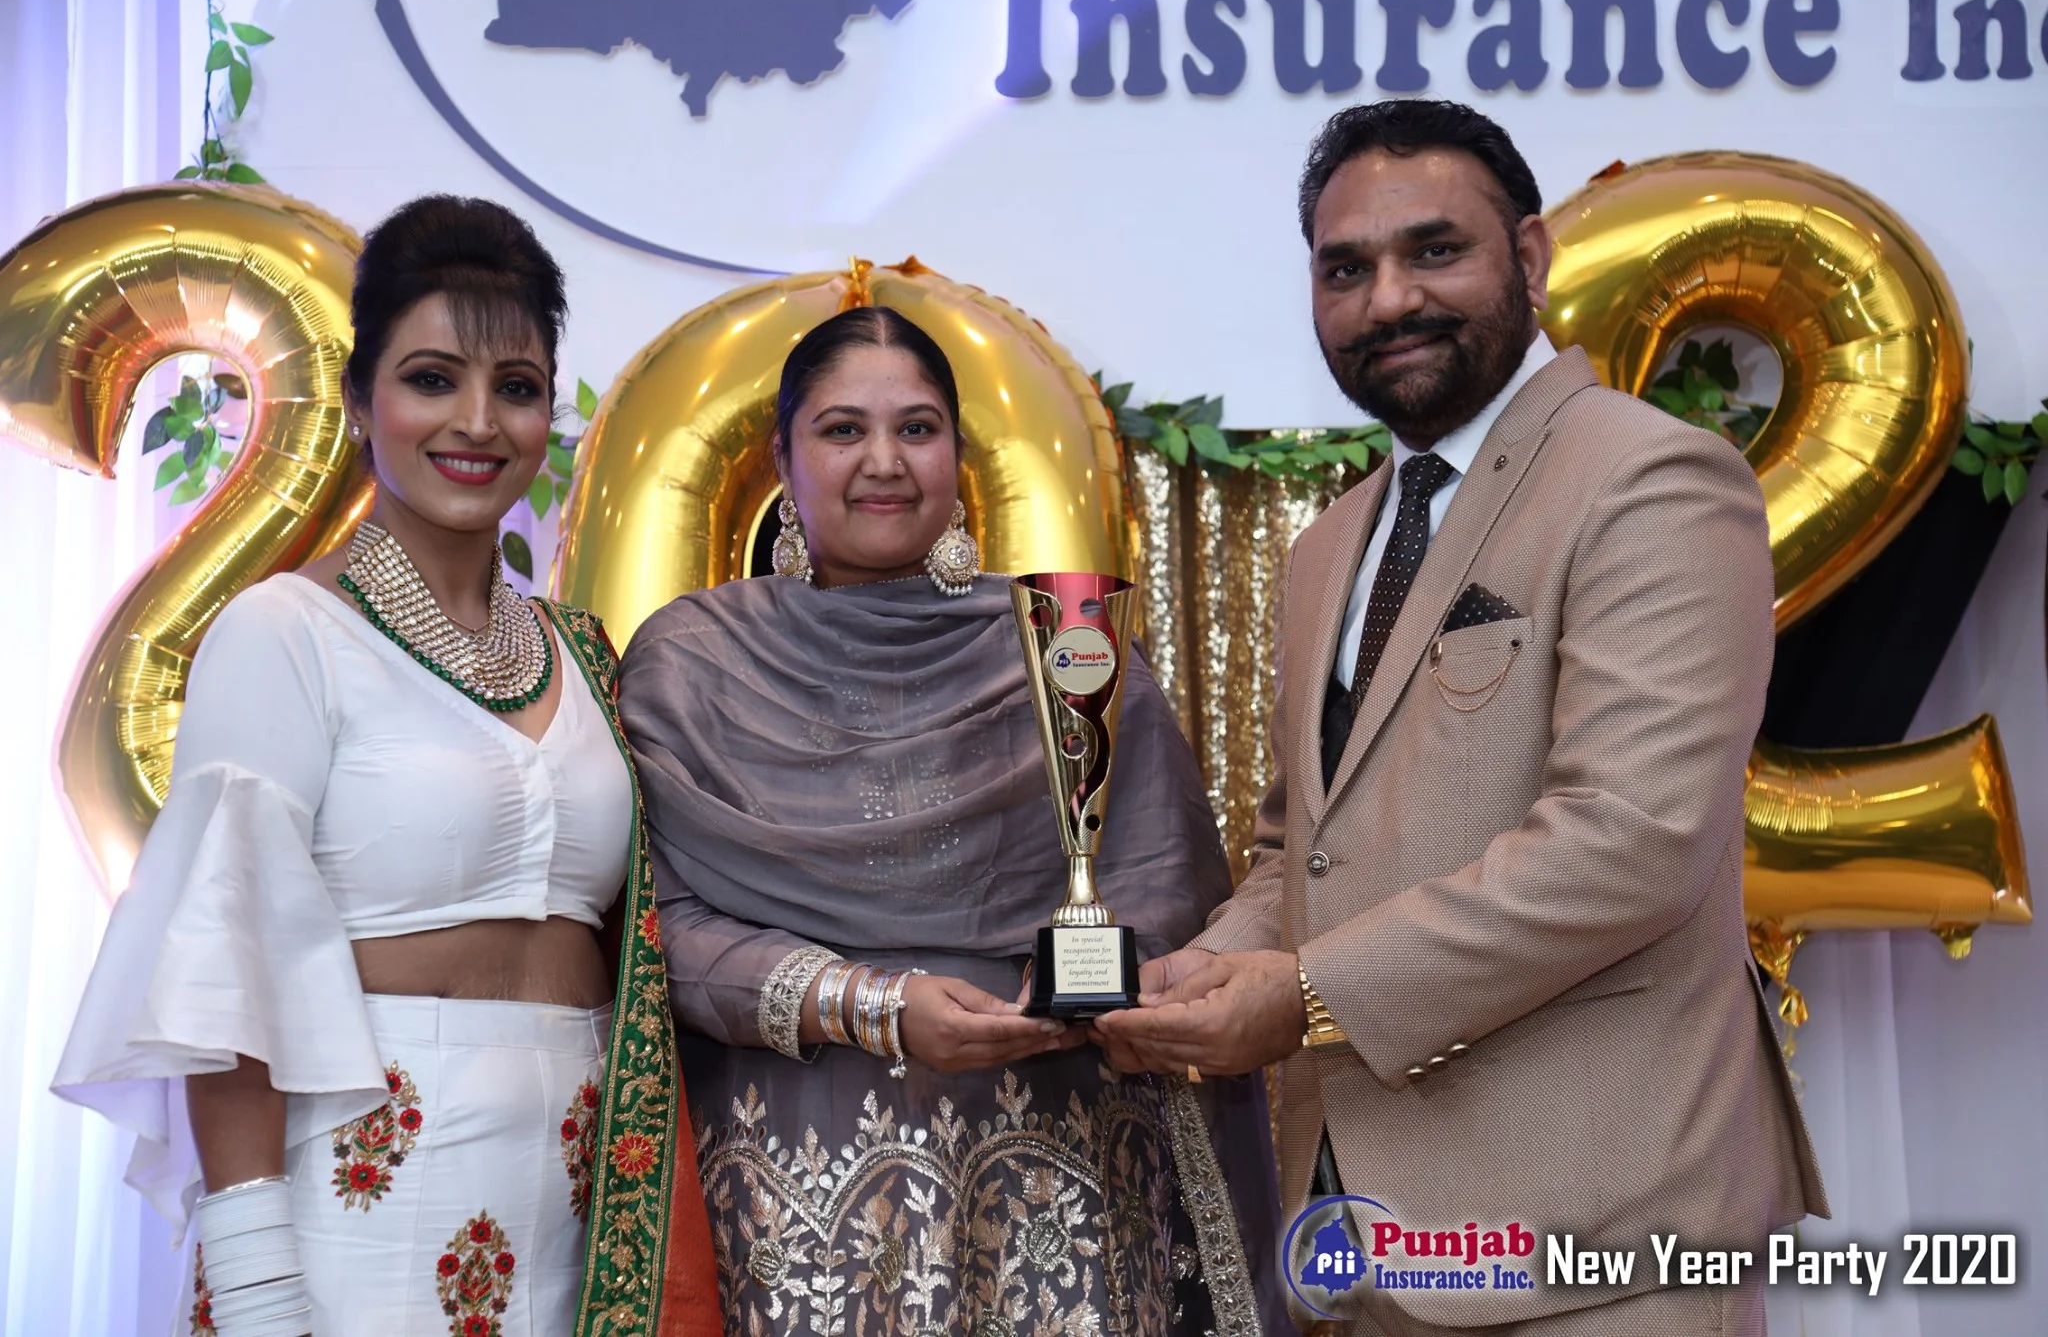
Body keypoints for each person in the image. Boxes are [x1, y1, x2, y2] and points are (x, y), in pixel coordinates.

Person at [1094, 101, 1827, 1336]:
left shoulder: (1647, 478)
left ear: (1528, 257)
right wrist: (1206, 971)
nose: (1388, 300)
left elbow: (1629, 842)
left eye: (1432, 251)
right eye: (1345, 269)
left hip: (1597, 1242)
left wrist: (1301, 997)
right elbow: (1300, 852)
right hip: (1357, 1236)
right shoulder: (1332, 543)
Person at [53, 195, 719, 1337]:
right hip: (353, 1207)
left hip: (578, 1209)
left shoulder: (583, 655)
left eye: (516, 386)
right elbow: (227, 972)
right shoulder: (284, 634)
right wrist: (255, 1283)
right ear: (361, 400)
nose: (478, 421)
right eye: (431, 379)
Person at [618, 306, 1290, 1336]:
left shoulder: (1064, 647)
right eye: (843, 429)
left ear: (958, 455)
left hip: (1052, 1167)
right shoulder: (692, 660)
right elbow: (660, 929)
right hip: (796, 1188)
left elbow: (1162, 880)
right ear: (782, 460)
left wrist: (1078, 991)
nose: (884, 461)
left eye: (917, 428)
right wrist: (871, 1005)